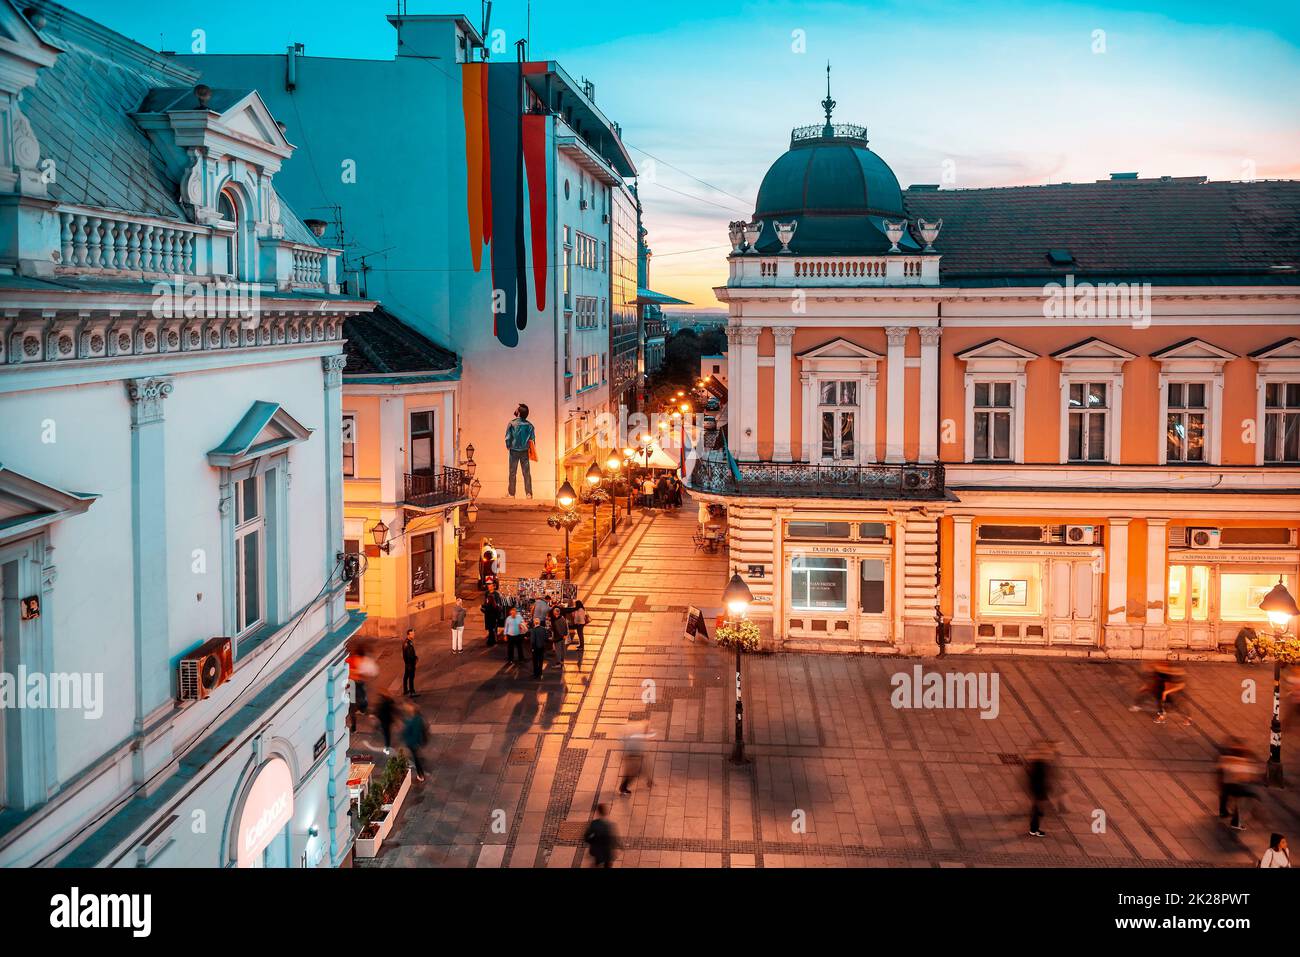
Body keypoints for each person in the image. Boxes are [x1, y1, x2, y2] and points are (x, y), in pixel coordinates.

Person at [1219, 741, 1259, 831]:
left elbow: (1221, 770)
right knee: (1245, 800)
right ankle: (1236, 822)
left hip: (1227, 786)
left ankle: (1223, 811)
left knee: (1225, 794)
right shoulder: (1244, 764)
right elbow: (1249, 777)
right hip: (1236, 788)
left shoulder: (1226, 759)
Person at [1026, 740, 1057, 837]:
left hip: (1038, 789)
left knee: (1038, 809)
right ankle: (1034, 829)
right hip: (1039, 790)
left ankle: (1034, 828)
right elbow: (1039, 779)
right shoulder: (1040, 764)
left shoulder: (1037, 763)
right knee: (1038, 810)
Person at [505, 403, 536, 498]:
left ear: (518, 412)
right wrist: (531, 451)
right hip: (525, 451)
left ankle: (511, 494)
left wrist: (508, 446)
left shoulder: (512, 423)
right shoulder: (530, 425)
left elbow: (508, 437)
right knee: (526, 473)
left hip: (514, 451)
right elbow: (532, 440)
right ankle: (529, 493)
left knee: (512, 472)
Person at [618, 719, 656, 795]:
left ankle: (649, 781)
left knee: (641, 769)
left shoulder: (637, 730)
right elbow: (637, 744)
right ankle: (623, 787)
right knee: (633, 773)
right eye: (647, 728)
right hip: (633, 757)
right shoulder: (639, 733)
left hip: (635, 756)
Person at [582, 803, 620, 868]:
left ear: (598, 812)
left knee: (597, 862)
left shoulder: (594, 824)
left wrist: (592, 842)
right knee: (607, 865)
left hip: (597, 850)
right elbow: (614, 839)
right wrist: (620, 846)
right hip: (607, 852)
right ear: (606, 812)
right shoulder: (610, 824)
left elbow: (586, 837)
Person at [400, 701, 428, 782]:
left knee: (416, 759)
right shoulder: (418, 718)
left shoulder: (412, 721)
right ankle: (420, 774)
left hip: (412, 742)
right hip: (416, 742)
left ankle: (420, 775)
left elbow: (407, 731)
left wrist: (404, 726)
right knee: (415, 756)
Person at [549, 605, 569, 670]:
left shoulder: (556, 620)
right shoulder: (562, 618)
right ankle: (562, 661)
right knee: (562, 649)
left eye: (554, 611)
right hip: (563, 637)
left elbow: (557, 630)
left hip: (558, 638)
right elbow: (566, 627)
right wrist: (565, 635)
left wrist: (560, 636)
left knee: (558, 651)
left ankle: (558, 664)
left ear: (555, 613)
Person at [401, 629, 418, 696]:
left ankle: (405, 690)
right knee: (411, 677)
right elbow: (410, 655)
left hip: (407, 664)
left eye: (414, 634)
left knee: (406, 676)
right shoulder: (408, 644)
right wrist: (415, 659)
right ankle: (412, 692)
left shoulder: (406, 642)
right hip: (410, 664)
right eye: (412, 634)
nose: (413, 635)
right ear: (408, 635)